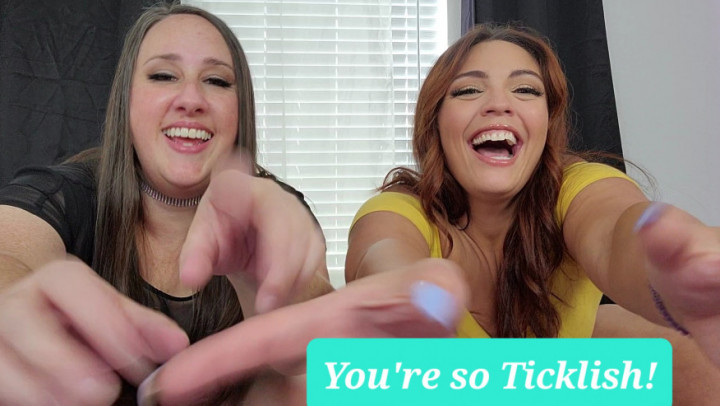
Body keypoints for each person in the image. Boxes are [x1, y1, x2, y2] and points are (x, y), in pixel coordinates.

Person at [344, 22, 720, 397]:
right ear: (436, 122)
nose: (499, 104)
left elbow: (614, 232)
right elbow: (384, 257)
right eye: (468, 90)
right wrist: (404, 296)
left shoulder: (576, 188)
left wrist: (676, 269)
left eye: (526, 90)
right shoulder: (398, 209)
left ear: (547, 122)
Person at [0, 4, 334, 404]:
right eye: (162, 76)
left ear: (241, 109)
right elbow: (10, 254)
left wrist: (278, 291)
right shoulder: (61, 194)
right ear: (126, 101)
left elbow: (334, 365)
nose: (191, 99)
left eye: (216, 80)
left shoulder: (276, 210)